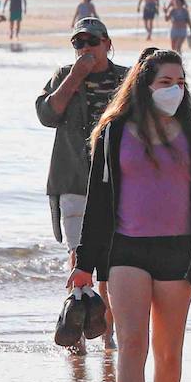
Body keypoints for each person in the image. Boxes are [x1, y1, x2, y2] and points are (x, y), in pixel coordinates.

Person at [70, 48, 191, 382]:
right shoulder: (114, 132)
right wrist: (84, 262)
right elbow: (97, 200)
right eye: (164, 82)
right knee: (131, 345)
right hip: (126, 251)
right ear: (144, 85)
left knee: (169, 351)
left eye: (179, 83)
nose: (174, 90)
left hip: (179, 252)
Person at [35, 18, 128, 351]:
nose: (86, 48)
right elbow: (47, 114)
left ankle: (109, 332)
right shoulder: (64, 76)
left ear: (107, 43)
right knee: (79, 256)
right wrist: (75, 76)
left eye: (92, 41)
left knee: (114, 260)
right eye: (78, 43)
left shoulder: (126, 78)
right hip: (73, 179)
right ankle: (75, 330)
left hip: (119, 182)